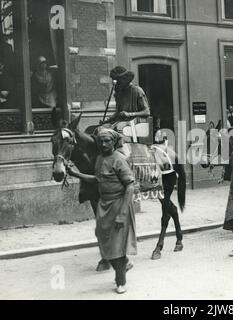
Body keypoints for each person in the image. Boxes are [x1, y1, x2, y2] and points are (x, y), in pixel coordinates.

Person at [67, 128, 137, 294]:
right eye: (101, 141)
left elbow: (130, 187)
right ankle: (125, 263)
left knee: (116, 246)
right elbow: (97, 180)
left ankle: (120, 281)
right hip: (104, 205)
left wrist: (122, 214)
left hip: (120, 204)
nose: (104, 144)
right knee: (103, 240)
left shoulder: (119, 160)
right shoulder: (99, 158)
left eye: (107, 141)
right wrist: (75, 174)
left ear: (113, 142)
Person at [102, 66, 150, 132]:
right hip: (120, 122)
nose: (115, 82)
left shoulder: (137, 91)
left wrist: (129, 114)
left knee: (115, 129)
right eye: (114, 80)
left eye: (117, 80)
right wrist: (107, 120)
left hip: (134, 123)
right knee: (100, 129)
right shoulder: (119, 93)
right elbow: (118, 112)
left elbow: (147, 112)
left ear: (124, 79)